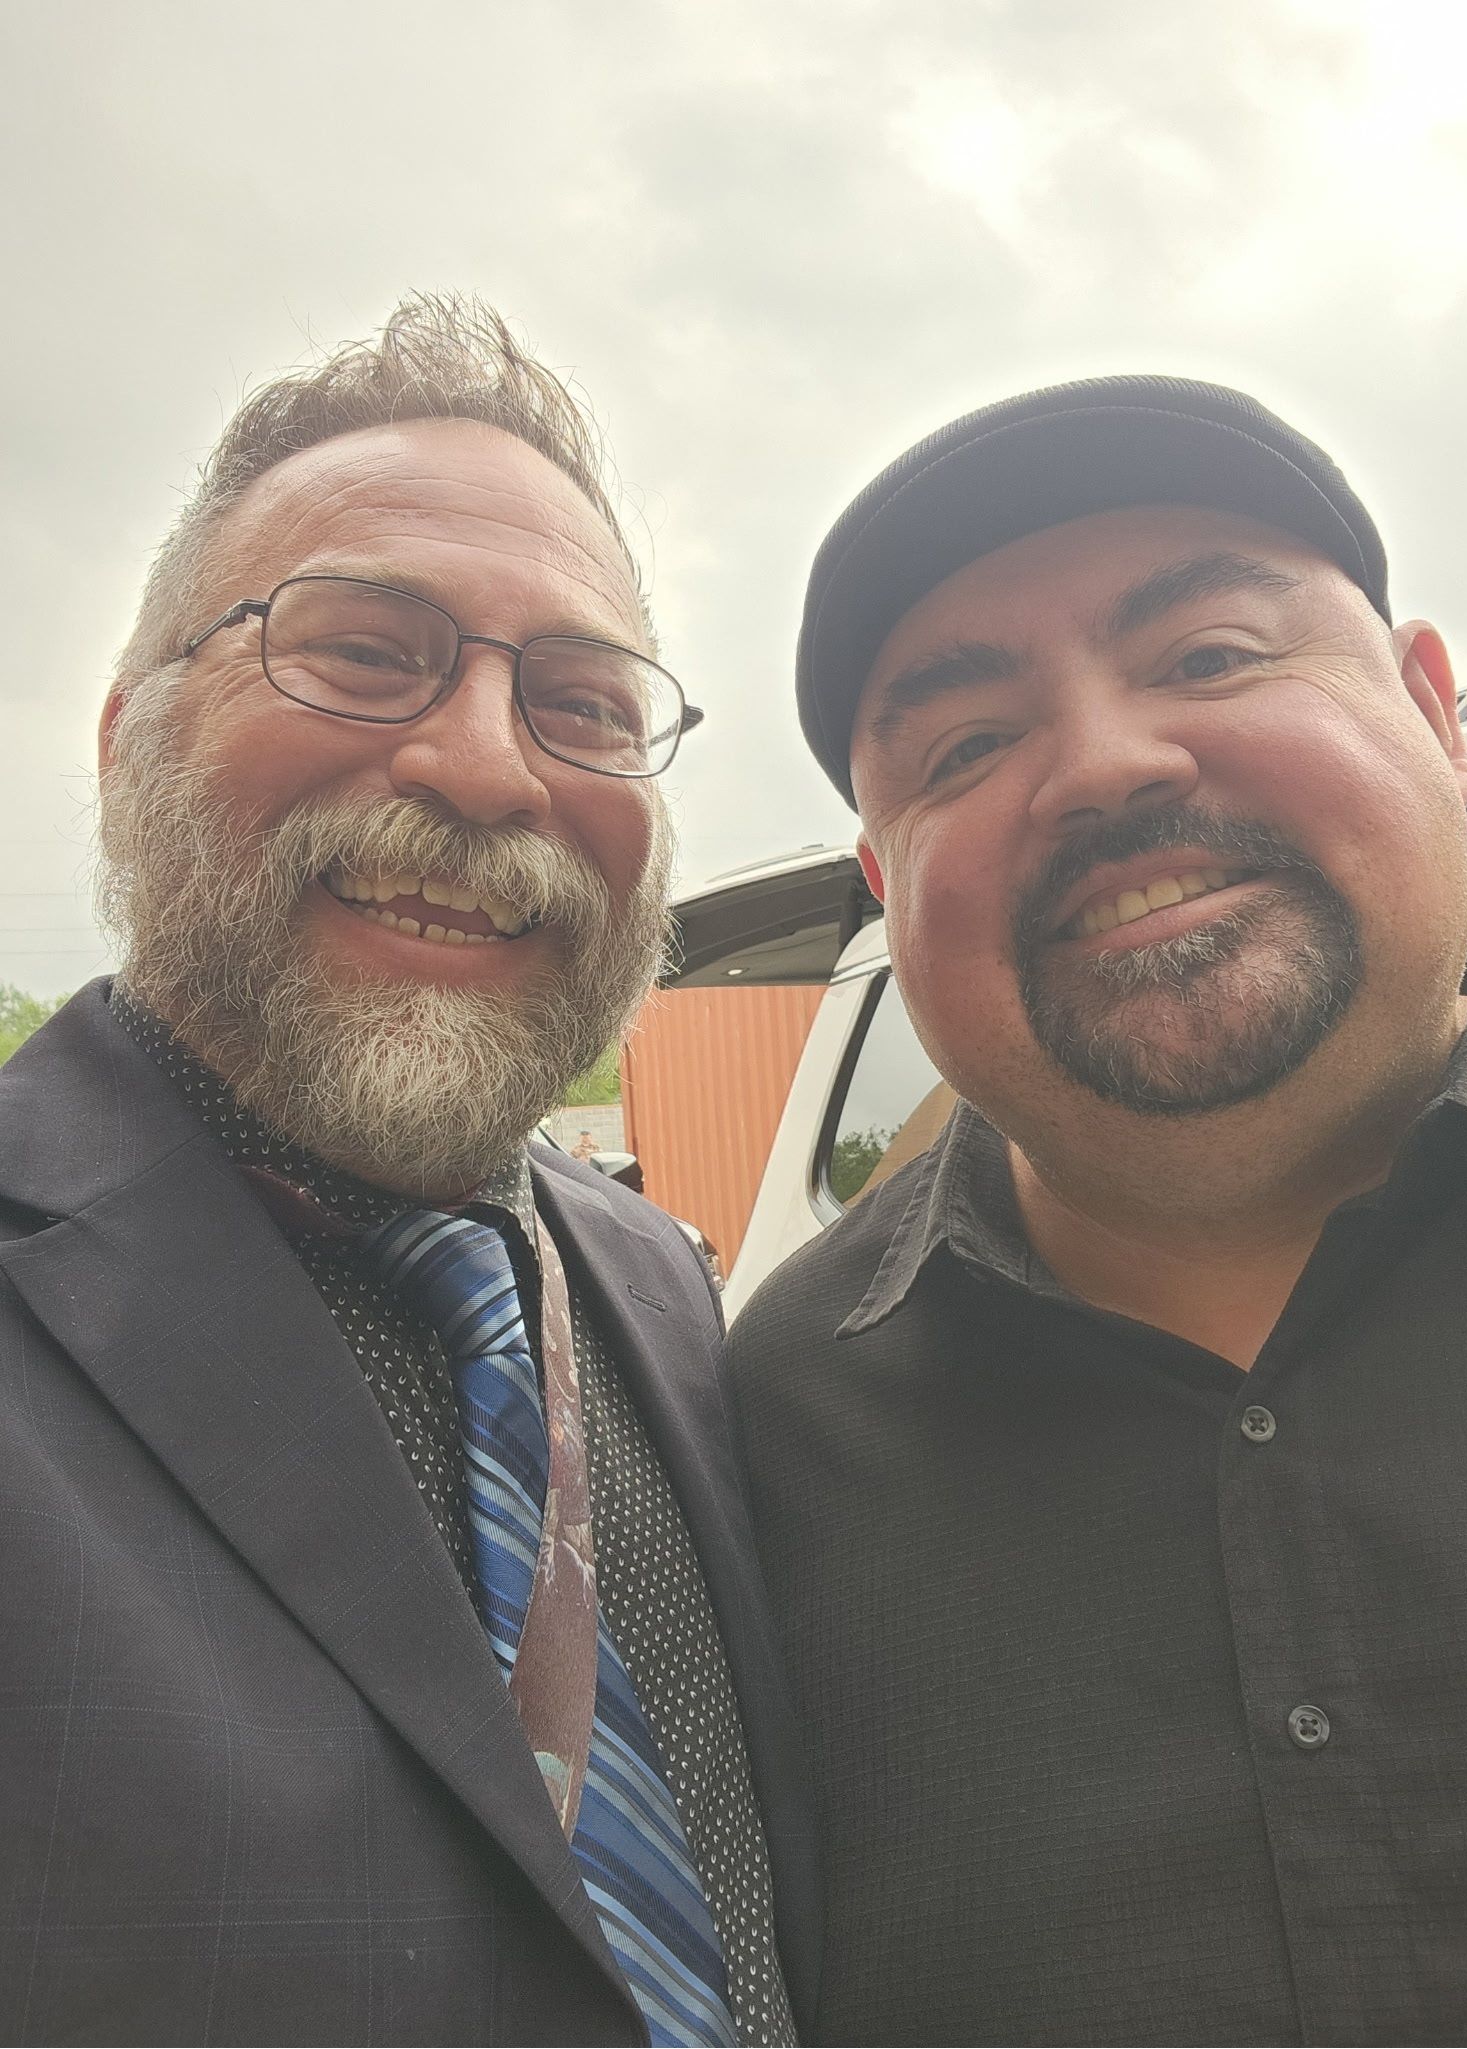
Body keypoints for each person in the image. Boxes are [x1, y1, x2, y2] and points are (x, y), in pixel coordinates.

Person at [0, 296, 815, 2047]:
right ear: (126, 738)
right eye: (365, 651)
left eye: (582, 702)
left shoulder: (659, 1288)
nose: (485, 765)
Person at [724, 377, 1467, 2046]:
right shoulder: (757, 1437)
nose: (1099, 765)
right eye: (963, 747)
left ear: (1429, 709)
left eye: (1210, 654)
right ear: (885, 882)